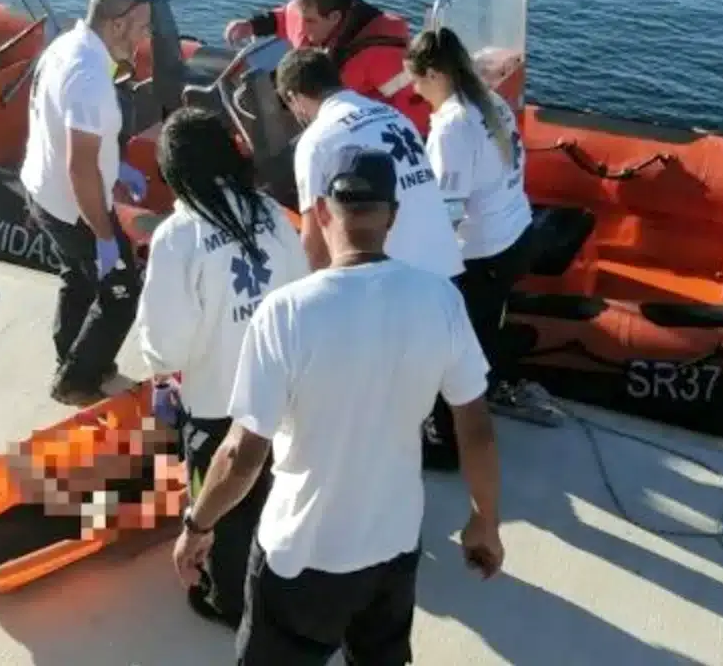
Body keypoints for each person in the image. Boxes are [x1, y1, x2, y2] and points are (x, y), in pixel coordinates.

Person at [171, 147, 504, 666]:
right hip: (393, 548)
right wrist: (485, 520)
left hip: (301, 557)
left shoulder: (285, 313)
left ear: (323, 212)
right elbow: (476, 429)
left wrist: (199, 525)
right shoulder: (441, 300)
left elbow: (241, 455)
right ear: (392, 216)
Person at [134, 107, 309, 628]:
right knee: (277, 495)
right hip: (285, 395)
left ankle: (228, 600)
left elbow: (167, 345)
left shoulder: (178, 236)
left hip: (217, 406)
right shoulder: (271, 213)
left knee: (223, 512)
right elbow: (301, 293)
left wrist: (161, 373)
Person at [277, 46, 467, 470]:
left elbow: (314, 237)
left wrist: (298, 300)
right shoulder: (390, 115)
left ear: (295, 97)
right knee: (438, 374)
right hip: (441, 260)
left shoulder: (317, 140)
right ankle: (445, 447)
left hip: (393, 278)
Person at [406, 27, 564, 428]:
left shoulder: (452, 127)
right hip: (515, 235)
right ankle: (495, 385)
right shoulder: (491, 101)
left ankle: (451, 425)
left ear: (434, 74)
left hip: (483, 252)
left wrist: (421, 268)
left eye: (417, 81)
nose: (416, 91)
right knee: (488, 324)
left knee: (460, 343)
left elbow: (448, 212)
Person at [20, 0, 154, 406]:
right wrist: (103, 236)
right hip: (73, 204)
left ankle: (72, 357)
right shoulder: (90, 78)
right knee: (121, 292)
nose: (144, 38)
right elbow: (81, 169)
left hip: (42, 190)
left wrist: (116, 167)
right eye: (141, 28)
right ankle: (77, 381)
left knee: (76, 279)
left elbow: (63, 128)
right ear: (117, 25)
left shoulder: (64, 46)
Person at [222, 0, 432, 135]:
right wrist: (252, 26)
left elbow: (416, 107)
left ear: (334, 17)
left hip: (362, 125)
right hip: (317, 104)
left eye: (311, 21)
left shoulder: (381, 53)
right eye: (303, 18)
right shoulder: (309, 15)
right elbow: (287, 17)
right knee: (251, 100)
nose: (303, 28)